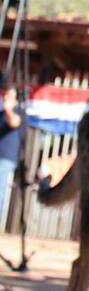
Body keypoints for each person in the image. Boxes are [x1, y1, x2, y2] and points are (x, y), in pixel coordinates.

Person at [0, 88, 22, 223]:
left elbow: (14, 122)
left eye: (10, 96)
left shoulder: (19, 112)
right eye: (6, 95)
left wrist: (8, 109)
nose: (6, 98)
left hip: (6, 158)